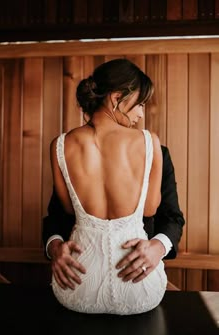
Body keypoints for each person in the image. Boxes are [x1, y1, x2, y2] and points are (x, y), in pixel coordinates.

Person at [44, 58, 185, 315]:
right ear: (116, 97)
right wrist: (54, 247)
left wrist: (158, 247)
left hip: (77, 283)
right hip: (138, 286)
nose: (141, 113)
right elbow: (150, 210)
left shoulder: (60, 146)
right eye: (140, 103)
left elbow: (67, 209)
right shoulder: (149, 143)